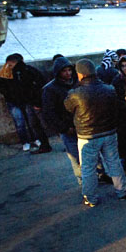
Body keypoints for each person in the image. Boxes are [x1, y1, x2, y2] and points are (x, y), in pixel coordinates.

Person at [64, 59, 126, 206]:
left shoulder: (75, 94)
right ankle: (122, 191)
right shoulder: (109, 89)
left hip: (87, 136)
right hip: (109, 132)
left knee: (88, 168)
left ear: (80, 74)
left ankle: (91, 198)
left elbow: (68, 108)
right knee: (114, 163)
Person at [0, 53, 51, 153]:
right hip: (14, 101)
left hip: (28, 101)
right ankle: (26, 142)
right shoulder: (5, 72)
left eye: (11, 64)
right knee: (21, 123)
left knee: (33, 122)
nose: (8, 67)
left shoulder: (27, 71)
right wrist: (8, 93)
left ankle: (37, 140)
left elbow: (40, 82)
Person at [41, 56, 81, 187]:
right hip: (68, 128)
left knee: (91, 154)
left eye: (69, 70)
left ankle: (100, 174)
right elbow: (49, 113)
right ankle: (83, 182)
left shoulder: (76, 83)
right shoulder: (50, 89)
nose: (68, 73)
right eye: (65, 71)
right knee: (76, 157)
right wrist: (64, 128)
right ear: (58, 72)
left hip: (81, 126)